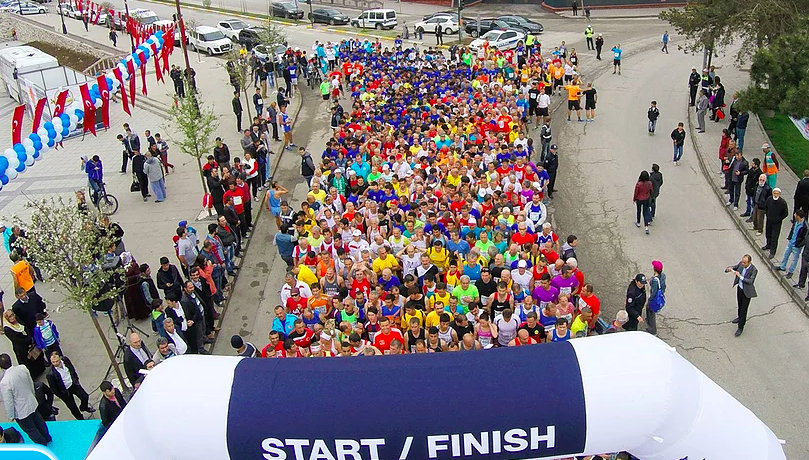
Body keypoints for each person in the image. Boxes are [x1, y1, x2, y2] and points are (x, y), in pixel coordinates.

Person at [0, 353, 51, 445]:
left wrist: (11, 415)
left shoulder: (5, 382)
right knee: (39, 422)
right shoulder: (22, 368)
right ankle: (47, 437)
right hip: (32, 402)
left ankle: (42, 445)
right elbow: (31, 383)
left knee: (31, 429)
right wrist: (33, 395)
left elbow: (9, 401)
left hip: (21, 411)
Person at [45, 351, 95, 420]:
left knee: (85, 396)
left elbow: (72, 369)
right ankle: (80, 419)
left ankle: (84, 407)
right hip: (65, 391)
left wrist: (76, 378)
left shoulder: (65, 360)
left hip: (73, 384)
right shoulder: (50, 374)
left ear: (60, 358)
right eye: (53, 362)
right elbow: (54, 389)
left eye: (57, 361)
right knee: (73, 407)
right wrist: (62, 396)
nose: (55, 363)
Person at [2, 311, 46, 380]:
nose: (12, 317)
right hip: (21, 349)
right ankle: (34, 376)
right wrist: (28, 340)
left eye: (12, 315)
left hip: (29, 342)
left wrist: (29, 337)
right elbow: (16, 340)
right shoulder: (7, 329)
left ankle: (41, 369)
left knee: (36, 357)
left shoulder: (17, 320)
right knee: (28, 362)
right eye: (9, 316)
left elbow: (25, 326)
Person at [726, 254, 757, 336]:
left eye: (744, 263)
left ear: (749, 262)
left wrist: (740, 276)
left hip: (747, 292)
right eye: (742, 262)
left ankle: (740, 327)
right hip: (740, 289)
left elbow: (750, 281)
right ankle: (739, 317)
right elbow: (735, 267)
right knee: (739, 305)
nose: (742, 264)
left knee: (744, 309)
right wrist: (730, 268)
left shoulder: (753, 270)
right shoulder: (741, 264)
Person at [762, 187, 789, 259]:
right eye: (774, 193)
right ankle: (768, 245)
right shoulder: (769, 199)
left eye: (777, 193)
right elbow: (766, 207)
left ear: (779, 194)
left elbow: (785, 213)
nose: (776, 195)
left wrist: (779, 219)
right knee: (768, 233)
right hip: (769, 220)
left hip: (777, 223)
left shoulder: (782, 202)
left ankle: (772, 251)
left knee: (774, 237)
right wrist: (767, 214)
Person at [646, 261, 666, 335]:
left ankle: (652, 330)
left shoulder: (655, 280)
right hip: (659, 297)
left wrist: (649, 301)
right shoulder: (663, 276)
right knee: (651, 312)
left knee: (650, 312)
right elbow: (663, 287)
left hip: (654, 299)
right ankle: (650, 325)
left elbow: (654, 292)